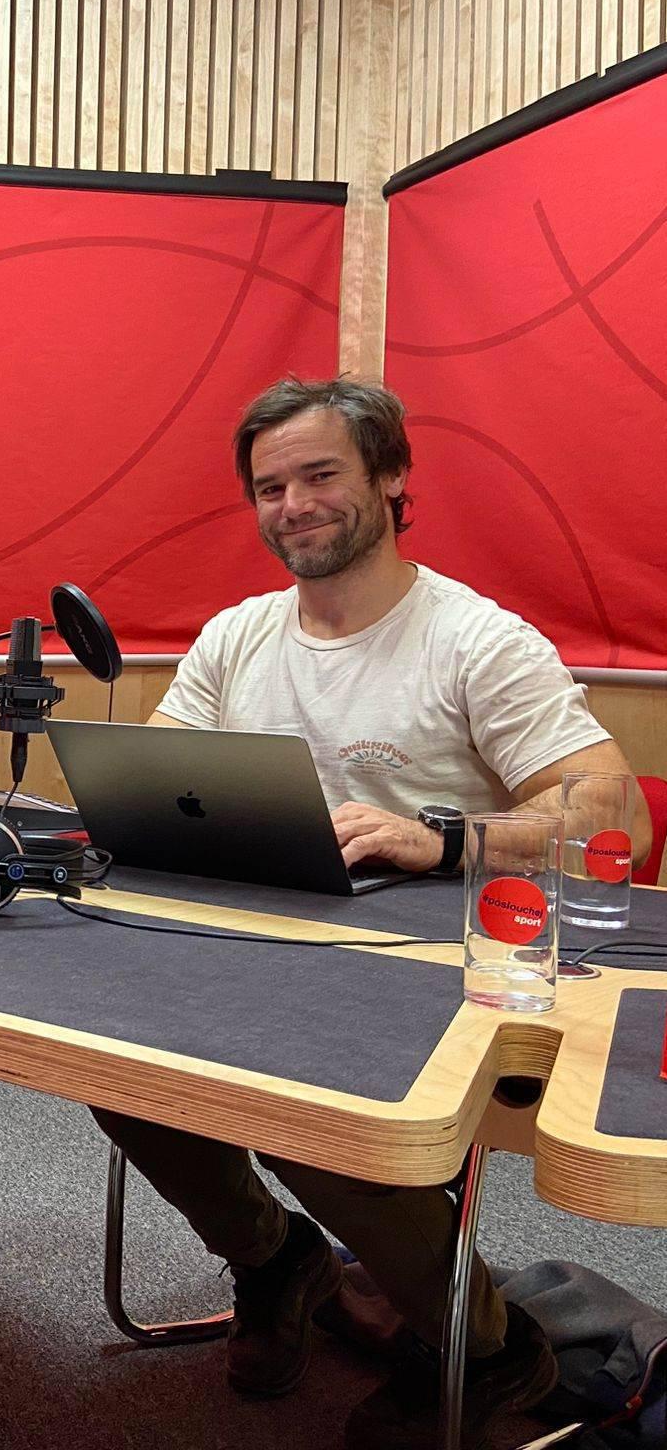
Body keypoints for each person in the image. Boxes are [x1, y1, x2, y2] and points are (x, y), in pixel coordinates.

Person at [93, 376, 652, 1449]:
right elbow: (156, 771)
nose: (292, 505)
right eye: (270, 488)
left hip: (427, 972)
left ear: (392, 478)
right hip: (259, 949)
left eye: (319, 475)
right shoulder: (237, 636)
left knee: (312, 1109)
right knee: (112, 1069)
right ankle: (274, 1259)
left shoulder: (475, 640)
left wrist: (438, 837)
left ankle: (491, 1349)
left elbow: (607, 809)